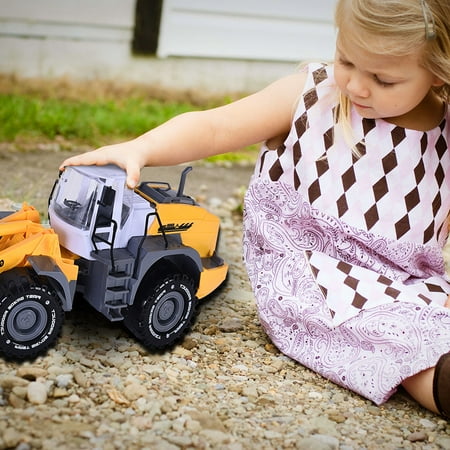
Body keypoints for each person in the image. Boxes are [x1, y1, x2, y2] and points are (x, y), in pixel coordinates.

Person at [61, 0, 450, 417]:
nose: (356, 86)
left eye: (384, 79)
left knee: (429, 320)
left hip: (410, 280)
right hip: (315, 273)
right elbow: (215, 126)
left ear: (438, 71)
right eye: (347, 60)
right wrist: (142, 148)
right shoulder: (313, 97)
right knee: (402, 343)